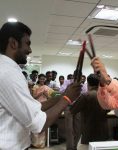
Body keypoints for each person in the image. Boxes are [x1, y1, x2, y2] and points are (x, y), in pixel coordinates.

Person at [0, 21, 81, 150]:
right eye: (27, 43)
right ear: (13, 43)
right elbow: (38, 124)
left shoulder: (9, 70)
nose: (30, 50)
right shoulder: (7, 73)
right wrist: (67, 99)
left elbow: (36, 107)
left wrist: (64, 95)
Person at [70, 74, 109, 150]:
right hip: (102, 132)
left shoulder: (85, 96)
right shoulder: (105, 96)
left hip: (89, 132)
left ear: (88, 83)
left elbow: (72, 110)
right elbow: (109, 109)